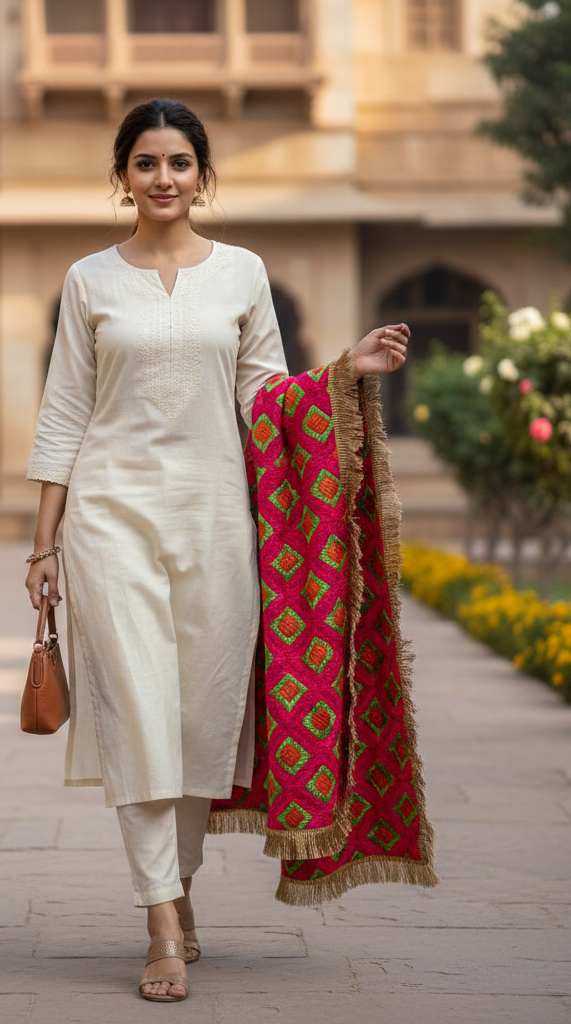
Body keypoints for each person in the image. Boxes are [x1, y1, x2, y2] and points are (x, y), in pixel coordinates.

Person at [24, 98, 410, 1003]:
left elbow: (265, 399)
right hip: (110, 517)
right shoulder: (89, 280)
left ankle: (179, 881)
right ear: (121, 175)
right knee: (138, 714)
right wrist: (44, 546)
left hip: (214, 519)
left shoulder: (242, 273)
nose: (164, 178)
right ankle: (160, 917)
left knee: (201, 720)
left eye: (180, 163)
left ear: (203, 175)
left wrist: (341, 374)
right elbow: (64, 411)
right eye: (146, 162)